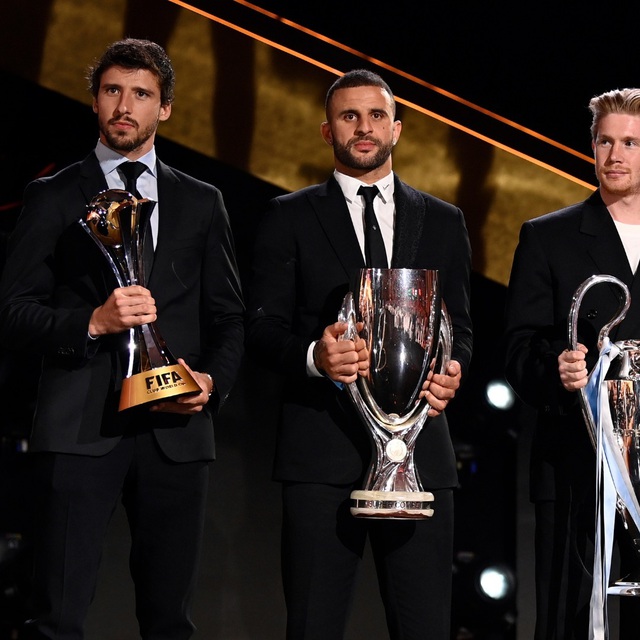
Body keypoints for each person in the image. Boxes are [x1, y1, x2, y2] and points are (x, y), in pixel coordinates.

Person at [0, 38, 244, 639]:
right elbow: (12, 311)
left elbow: (230, 317)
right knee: (56, 616)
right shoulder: (53, 195)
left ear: (164, 109)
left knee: (169, 621)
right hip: (80, 427)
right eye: (113, 90)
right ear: (94, 101)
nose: (124, 106)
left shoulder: (202, 201)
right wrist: (91, 323)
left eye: (141, 94)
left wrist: (211, 383)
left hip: (175, 432)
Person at [245, 69, 473, 640]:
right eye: (349, 116)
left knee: (425, 628)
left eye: (375, 116)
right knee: (314, 627)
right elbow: (261, 330)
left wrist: (451, 372)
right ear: (327, 131)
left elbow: (461, 328)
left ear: (396, 129)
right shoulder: (288, 216)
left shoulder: (445, 221)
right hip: (321, 455)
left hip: (421, 459)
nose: (363, 127)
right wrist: (313, 359)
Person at [504, 87, 640, 639]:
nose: (615, 155)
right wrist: (557, 369)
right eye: (604, 141)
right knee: (570, 621)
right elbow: (518, 351)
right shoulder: (548, 237)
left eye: (630, 142)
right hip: (577, 472)